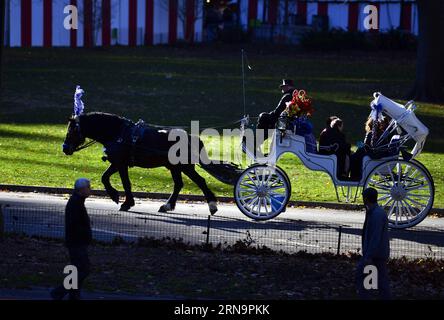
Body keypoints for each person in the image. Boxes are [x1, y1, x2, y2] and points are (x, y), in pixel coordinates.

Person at [51, 178, 92, 300]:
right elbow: (75, 224)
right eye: (88, 187)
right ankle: (60, 291)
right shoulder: (76, 203)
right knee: (83, 270)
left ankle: (74, 296)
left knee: (77, 270)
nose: (90, 189)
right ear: (82, 189)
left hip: (75, 242)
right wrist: (85, 235)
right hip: (77, 242)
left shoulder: (77, 201)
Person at [356, 187, 391, 300]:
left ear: (366, 199)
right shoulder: (377, 212)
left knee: (368, 280)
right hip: (378, 254)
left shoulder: (375, 214)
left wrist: (368, 256)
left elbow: (375, 237)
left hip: (374, 255)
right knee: (379, 281)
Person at [255, 79, 295, 147]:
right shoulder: (294, 96)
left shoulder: (287, 96)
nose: (282, 88)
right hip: (286, 120)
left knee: (263, 116)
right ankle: (258, 141)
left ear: (288, 87)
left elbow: (278, 111)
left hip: (283, 121)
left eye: (284, 86)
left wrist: (270, 114)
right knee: (267, 121)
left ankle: (256, 142)